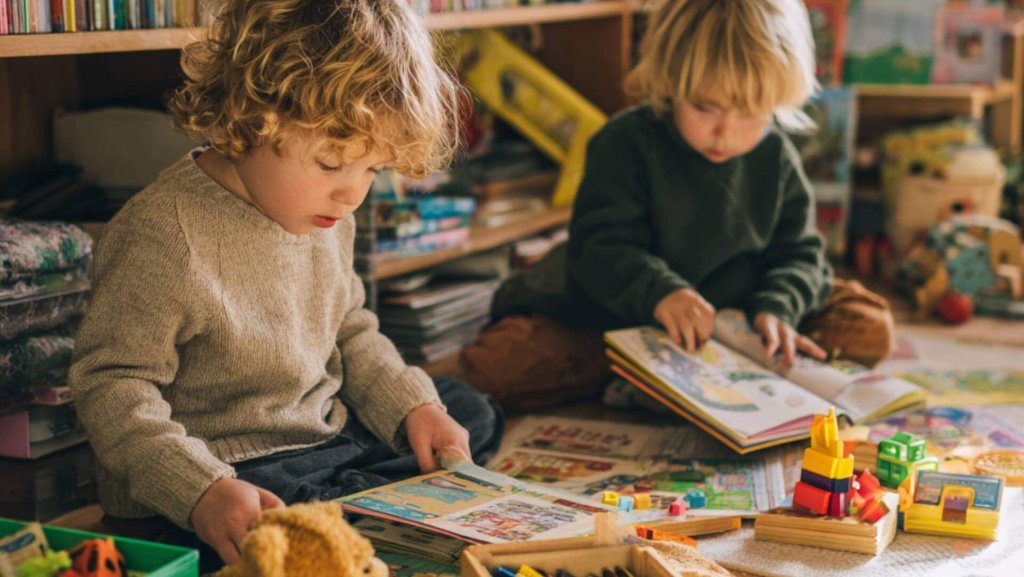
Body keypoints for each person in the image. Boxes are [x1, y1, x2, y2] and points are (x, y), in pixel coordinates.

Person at [69, 0, 502, 569]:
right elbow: (112, 386)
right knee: (286, 513)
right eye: (331, 163)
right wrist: (200, 490)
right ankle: (344, 513)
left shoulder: (325, 213)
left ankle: (345, 510)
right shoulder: (162, 234)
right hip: (226, 469)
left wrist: (413, 408)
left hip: (320, 437)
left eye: (372, 169)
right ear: (251, 119)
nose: (353, 194)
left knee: (464, 411)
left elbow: (350, 330)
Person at [461, 0, 894, 412]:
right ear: (670, 81)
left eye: (750, 113)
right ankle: (638, 376)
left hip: (737, 322)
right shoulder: (624, 141)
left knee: (868, 326)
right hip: (618, 317)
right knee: (495, 368)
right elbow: (601, 248)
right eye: (706, 107)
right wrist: (661, 293)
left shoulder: (775, 155)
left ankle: (649, 381)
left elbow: (799, 254)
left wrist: (779, 307)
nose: (726, 132)